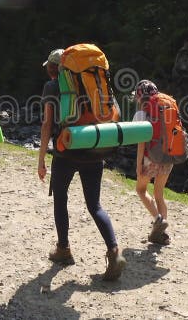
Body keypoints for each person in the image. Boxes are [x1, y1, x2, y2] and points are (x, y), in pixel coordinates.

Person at [37, 48, 126, 281]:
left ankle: (63, 249)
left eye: (49, 67)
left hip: (66, 153)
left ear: (54, 68)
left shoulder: (53, 87)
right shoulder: (93, 83)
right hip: (95, 149)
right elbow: (113, 114)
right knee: (95, 205)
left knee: (61, 199)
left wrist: (41, 159)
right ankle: (114, 251)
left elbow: (47, 125)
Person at [132, 80, 173, 245]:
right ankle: (161, 234)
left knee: (141, 189)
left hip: (151, 158)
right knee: (159, 194)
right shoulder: (167, 106)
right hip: (169, 157)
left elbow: (141, 141)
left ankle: (158, 220)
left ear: (139, 96)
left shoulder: (142, 113)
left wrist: (139, 163)